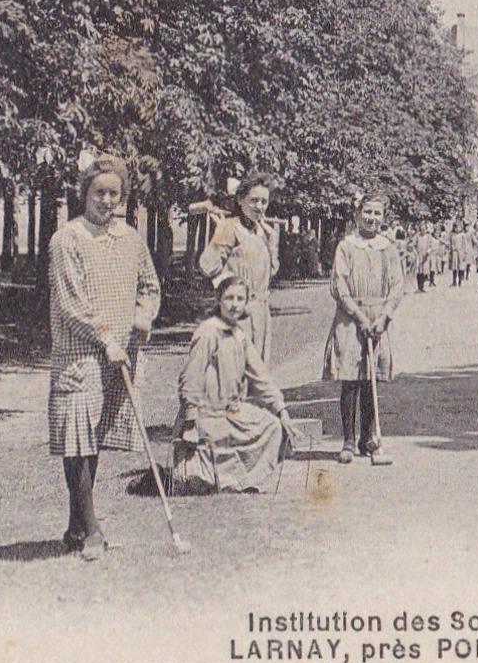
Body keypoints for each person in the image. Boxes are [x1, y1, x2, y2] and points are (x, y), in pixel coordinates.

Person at [47, 153, 161, 560]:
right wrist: (105, 339)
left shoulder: (129, 236)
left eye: (115, 193)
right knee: (76, 438)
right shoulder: (67, 240)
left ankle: (76, 524)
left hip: (120, 354)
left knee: (92, 440)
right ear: (84, 194)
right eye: (99, 192)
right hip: (80, 354)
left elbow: (149, 284)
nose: (107, 200)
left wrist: (142, 318)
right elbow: (70, 304)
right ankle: (92, 529)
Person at [170, 277, 306, 494]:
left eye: (240, 299)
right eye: (229, 298)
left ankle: (237, 481)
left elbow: (260, 377)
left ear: (246, 302)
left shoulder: (239, 335)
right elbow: (190, 377)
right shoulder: (207, 332)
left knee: (272, 426)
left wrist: (282, 411)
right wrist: (189, 419)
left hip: (232, 412)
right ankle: (204, 477)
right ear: (218, 299)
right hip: (205, 414)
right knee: (197, 479)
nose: (234, 304)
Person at [323, 195, 406, 464]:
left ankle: (367, 438)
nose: (372, 217)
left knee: (370, 379)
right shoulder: (347, 246)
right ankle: (347, 439)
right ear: (358, 213)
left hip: (378, 317)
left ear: (384, 216)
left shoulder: (388, 248)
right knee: (350, 379)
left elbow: (397, 285)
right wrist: (359, 316)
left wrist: (384, 317)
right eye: (367, 212)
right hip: (351, 317)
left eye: (377, 213)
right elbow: (339, 285)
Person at [199, 174, 279, 362]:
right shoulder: (230, 228)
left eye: (264, 201)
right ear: (240, 200)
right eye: (254, 201)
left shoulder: (263, 233)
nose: (259, 207)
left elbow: (270, 272)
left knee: (257, 375)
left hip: (261, 315)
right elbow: (207, 266)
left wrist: (272, 242)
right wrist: (220, 235)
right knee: (233, 373)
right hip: (236, 313)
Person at [449, 221, 469, 287]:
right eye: (456, 227)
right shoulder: (452, 235)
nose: (457, 229)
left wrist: (465, 253)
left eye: (459, 227)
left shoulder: (462, 235)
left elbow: (465, 244)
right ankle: (454, 281)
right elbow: (450, 244)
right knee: (454, 267)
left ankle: (461, 281)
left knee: (461, 267)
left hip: (461, 252)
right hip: (454, 252)